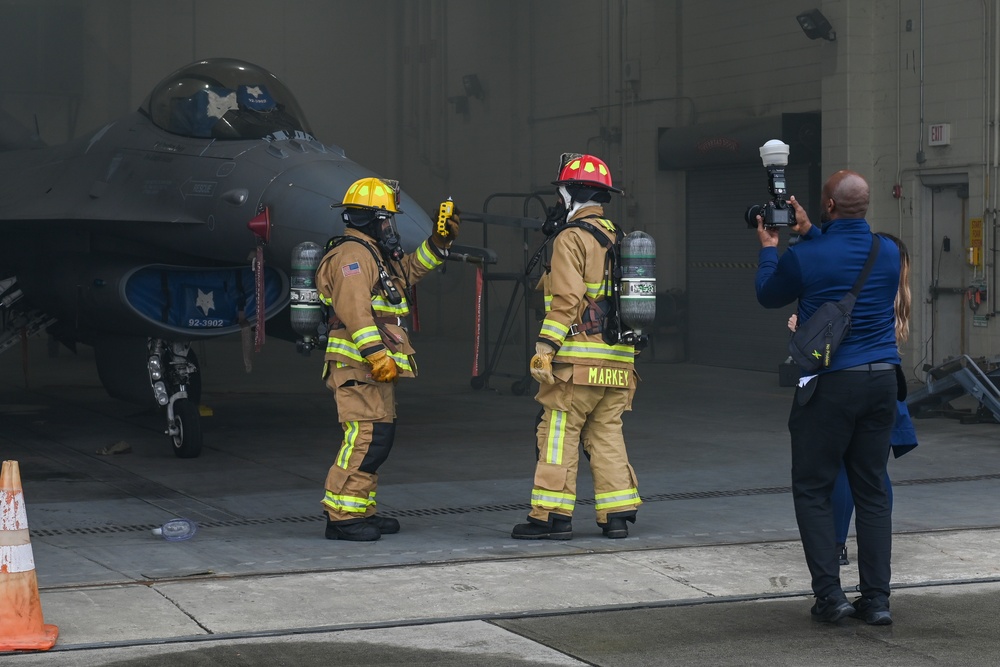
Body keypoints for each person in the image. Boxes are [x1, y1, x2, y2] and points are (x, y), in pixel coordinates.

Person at [756, 170, 901, 625]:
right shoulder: (890, 251)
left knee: (814, 488)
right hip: (883, 382)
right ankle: (877, 601)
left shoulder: (805, 256)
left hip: (832, 383)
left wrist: (768, 248)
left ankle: (830, 597)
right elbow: (845, 259)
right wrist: (813, 231)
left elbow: (768, 294)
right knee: (872, 489)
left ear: (830, 206)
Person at [316, 177, 459, 541]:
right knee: (365, 438)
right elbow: (356, 313)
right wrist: (378, 355)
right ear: (367, 219)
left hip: (374, 369)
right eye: (385, 220)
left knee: (378, 437)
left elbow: (406, 273)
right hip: (360, 364)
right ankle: (342, 518)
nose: (389, 227)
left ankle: (360, 508)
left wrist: (439, 244)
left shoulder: (371, 254)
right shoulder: (353, 256)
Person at [511, 153, 642, 541]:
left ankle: (551, 517)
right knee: (606, 434)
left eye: (562, 191)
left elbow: (566, 300)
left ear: (571, 192)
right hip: (619, 363)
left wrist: (545, 347)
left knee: (557, 432)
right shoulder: (619, 237)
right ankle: (617, 515)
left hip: (579, 363)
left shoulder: (571, 238)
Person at [786, 233, 918, 566]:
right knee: (873, 474)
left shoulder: (868, 291)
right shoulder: (895, 294)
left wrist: (805, 328)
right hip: (884, 385)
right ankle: (874, 561)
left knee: (843, 469)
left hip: (846, 384)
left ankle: (834, 543)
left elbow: (837, 337)